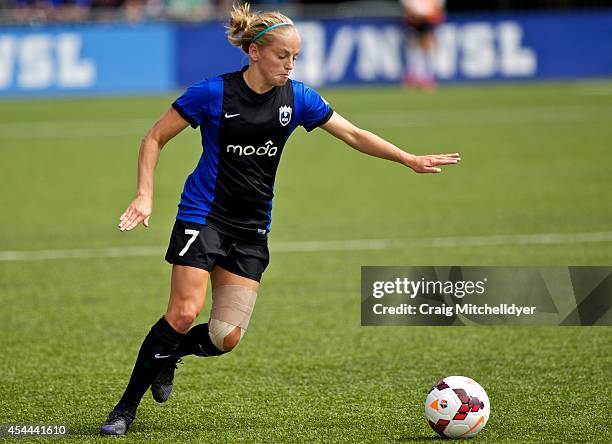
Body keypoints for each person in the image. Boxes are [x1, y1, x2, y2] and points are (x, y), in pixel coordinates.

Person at [100, 1, 460, 436]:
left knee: (225, 336)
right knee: (183, 311)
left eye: (295, 58)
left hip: (251, 228)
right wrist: (145, 193)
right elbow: (154, 136)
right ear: (254, 52)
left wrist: (408, 158)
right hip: (203, 215)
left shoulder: (299, 98)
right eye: (281, 56)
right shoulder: (213, 93)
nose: (289, 66)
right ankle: (124, 409)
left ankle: (170, 355)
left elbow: (353, 134)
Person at [400, 0, 446, 90]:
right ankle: (415, 76)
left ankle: (426, 76)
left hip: (428, 19)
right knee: (415, 47)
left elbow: (437, 8)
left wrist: (427, 16)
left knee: (426, 47)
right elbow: (407, 7)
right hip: (415, 19)